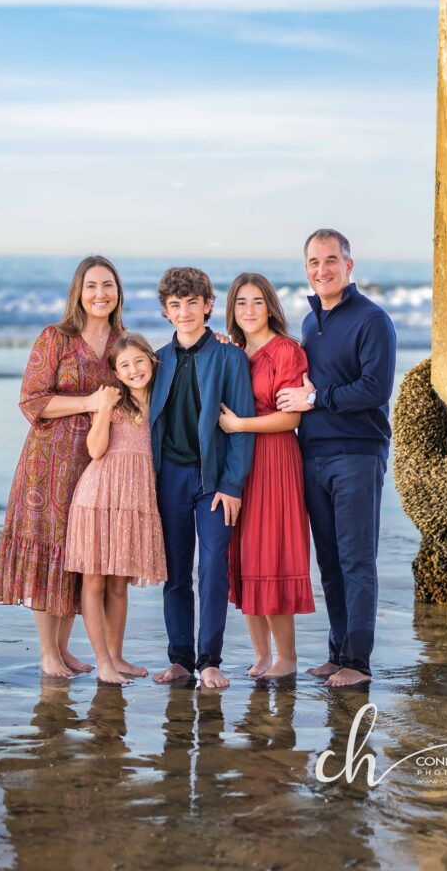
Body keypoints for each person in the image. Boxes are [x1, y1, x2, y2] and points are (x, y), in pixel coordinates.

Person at [0, 255, 125, 678]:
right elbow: (31, 400)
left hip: (97, 461)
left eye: (108, 286)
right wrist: (89, 402)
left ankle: (65, 650)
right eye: (92, 286)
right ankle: (48, 653)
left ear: (118, 292)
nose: (100, 294)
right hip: (48, 462)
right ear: (78, 294)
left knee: (76, 556)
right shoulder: (56, 338)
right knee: (49, 553)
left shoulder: (124, 342)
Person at [276, 230, 396, 688]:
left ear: (349, 265)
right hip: (314, 455)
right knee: (328, 561)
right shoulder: (310, 325)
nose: (321, 269)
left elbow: (375, 389)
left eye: (330, 260)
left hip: (357, 455)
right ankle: (337, 652)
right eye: (313, 262)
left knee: (356, 561)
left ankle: (358, 664)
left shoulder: (372, 320)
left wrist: (317, 399)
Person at [150, 267, 255, 690]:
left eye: (192, 302)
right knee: (175, 570)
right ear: (165, 311)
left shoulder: (230, 357)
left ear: (209, 306)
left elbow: (241, 424)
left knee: (213, 567)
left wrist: (232, 484)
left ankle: (209, 659)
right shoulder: (159, 360)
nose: (184, 312)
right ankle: (179, 659)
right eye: (175, 305)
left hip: (212, 480)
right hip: (170, 476)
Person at [219, 273, 314, 678]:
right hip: (240, 463)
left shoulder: (287, 352)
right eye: (241, 303)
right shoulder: (231, 351)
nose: (249, 310)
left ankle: (287, 659)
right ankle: (261, 656)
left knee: (271, 555)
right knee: (242, 556)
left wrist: (241, 426)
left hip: (275, 460)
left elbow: (290, 417)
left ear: (270, 306)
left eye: (257, 301)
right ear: (231, 310)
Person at [65, 333, 167, 686]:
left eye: (139, 361)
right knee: (93, 581)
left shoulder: (162, 399)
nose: (134, 369)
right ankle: (103, 661)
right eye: (124, 365)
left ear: (151, 361)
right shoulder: (113, 403)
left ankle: (118, 654)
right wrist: (105, 407)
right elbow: (95, 450)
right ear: (116, 373)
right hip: (99, 495)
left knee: (119, 585)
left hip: (134, 499)